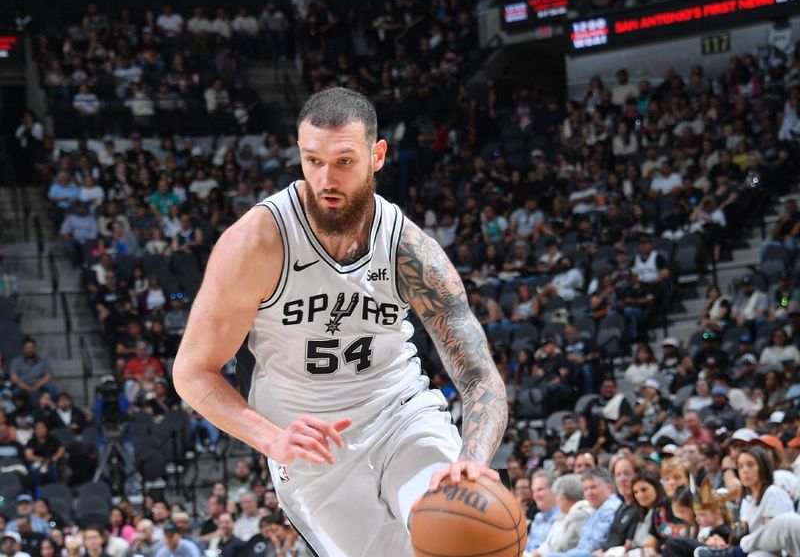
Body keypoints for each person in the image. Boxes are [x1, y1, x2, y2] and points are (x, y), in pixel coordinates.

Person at [173, 88, 506, 556]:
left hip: (402, 414)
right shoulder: (255, 243)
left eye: (344, 161)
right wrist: (271, 437)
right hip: (309, 448)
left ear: (377, 156)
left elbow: (477, 376)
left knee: (468, 531)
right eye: (312, 160)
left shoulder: (409, 249)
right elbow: (191, 371)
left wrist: (472, 458)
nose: (325, 178)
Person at [544, 468, 622, 557]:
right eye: (585, 489)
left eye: (593, 487)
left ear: (608, 488)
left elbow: (596, 543)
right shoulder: (596, 509)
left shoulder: (610, 507)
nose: (589, 493)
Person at [530, 474, 591, 557]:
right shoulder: (562, 515)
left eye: (557, 496)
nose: (556, 500)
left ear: (564, 498)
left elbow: (565, 546)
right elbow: (549, 543)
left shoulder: (579, 514)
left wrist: (541, 554)